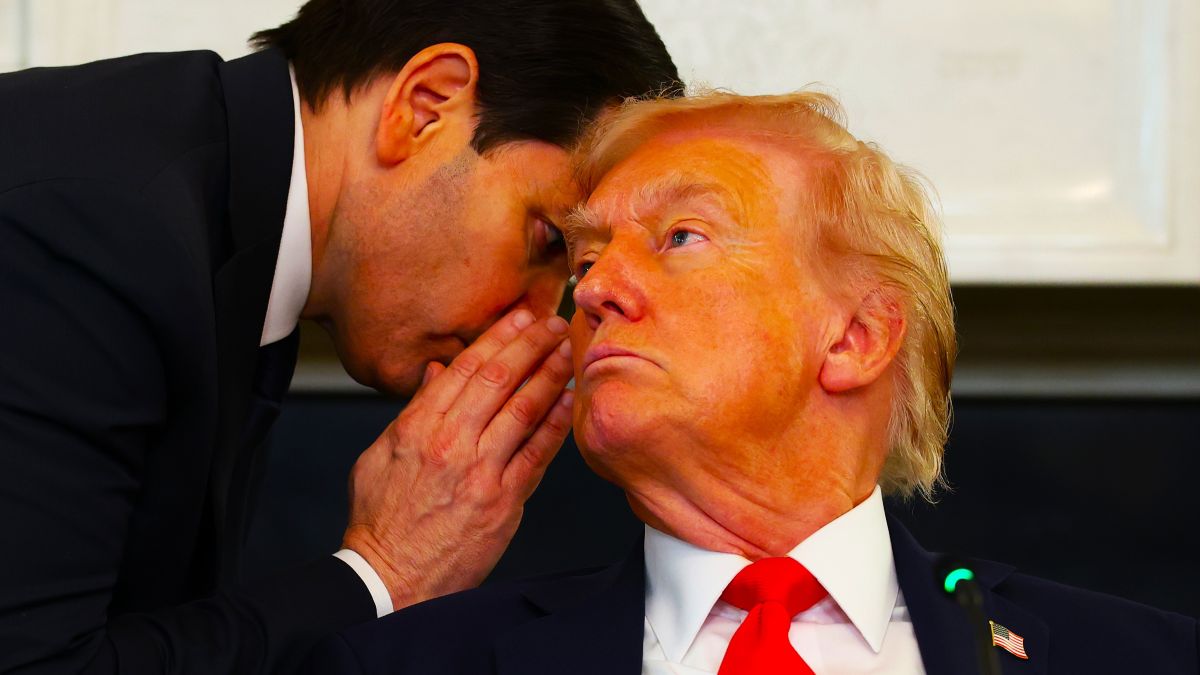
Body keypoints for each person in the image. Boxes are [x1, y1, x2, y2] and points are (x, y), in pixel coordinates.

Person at [306, 91, 1200, 674]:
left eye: (681, 237)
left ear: (854, 336)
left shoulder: (1140, 659)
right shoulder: (406, 662)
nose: (595, 290)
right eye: (586, 256)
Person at [0, 1, 679, 672]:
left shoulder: (211, 213)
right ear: (425, 105)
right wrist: (383, 571)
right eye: (545, 241)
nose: (532, 319)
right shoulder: (93, 228)